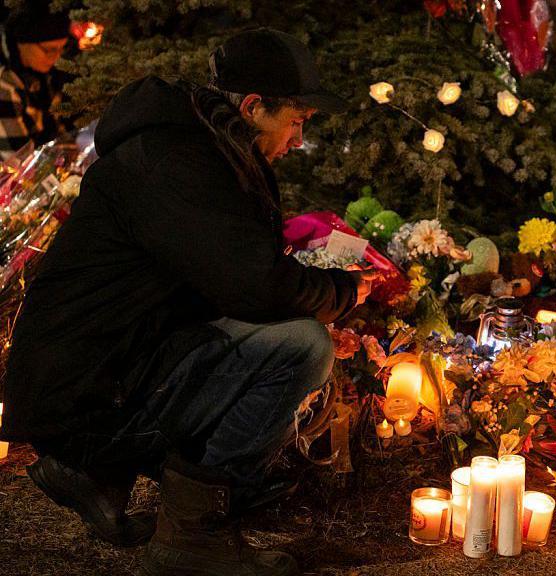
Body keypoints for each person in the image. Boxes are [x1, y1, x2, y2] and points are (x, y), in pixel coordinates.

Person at [0, 28, 374, 576]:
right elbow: (256, 286)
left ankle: (95, 474)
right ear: (252, 107)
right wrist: (341, 293)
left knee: (276, 333)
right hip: (87, 389)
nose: (298, 141)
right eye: (296, 121)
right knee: (301, 347)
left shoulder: (203, 145)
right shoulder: (177, 162)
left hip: (108, 367)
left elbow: (229, 273)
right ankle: (193, 534)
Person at [0, 2, 73, 158]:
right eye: (50, 49)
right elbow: (19, 161)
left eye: (62, 48)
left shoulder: (45, 75)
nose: (57, 57)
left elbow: (58, 131)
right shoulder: (5, 86)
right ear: (21, 43)